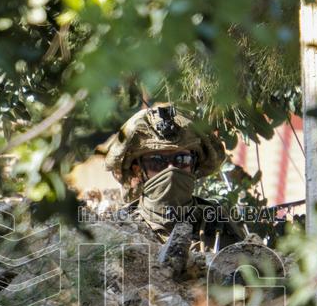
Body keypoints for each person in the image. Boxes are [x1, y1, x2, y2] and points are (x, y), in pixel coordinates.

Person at [102, 104, 248, 252]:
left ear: (193, 165)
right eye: (156, 162)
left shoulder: (220, 224)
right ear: (138, 171)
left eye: (182, 160)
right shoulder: (118, 230)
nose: (171, 169)